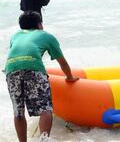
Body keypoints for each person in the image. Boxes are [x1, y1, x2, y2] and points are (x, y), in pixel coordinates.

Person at [4, 11, 78, 142]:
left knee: (18, 112)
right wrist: (70, 77)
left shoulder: (15, 36)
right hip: (33, 69)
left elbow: (14, 55)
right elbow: (63, 62)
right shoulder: (46, 36)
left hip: (11, 70)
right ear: (40, 25)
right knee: (45, 108)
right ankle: (43, 139)